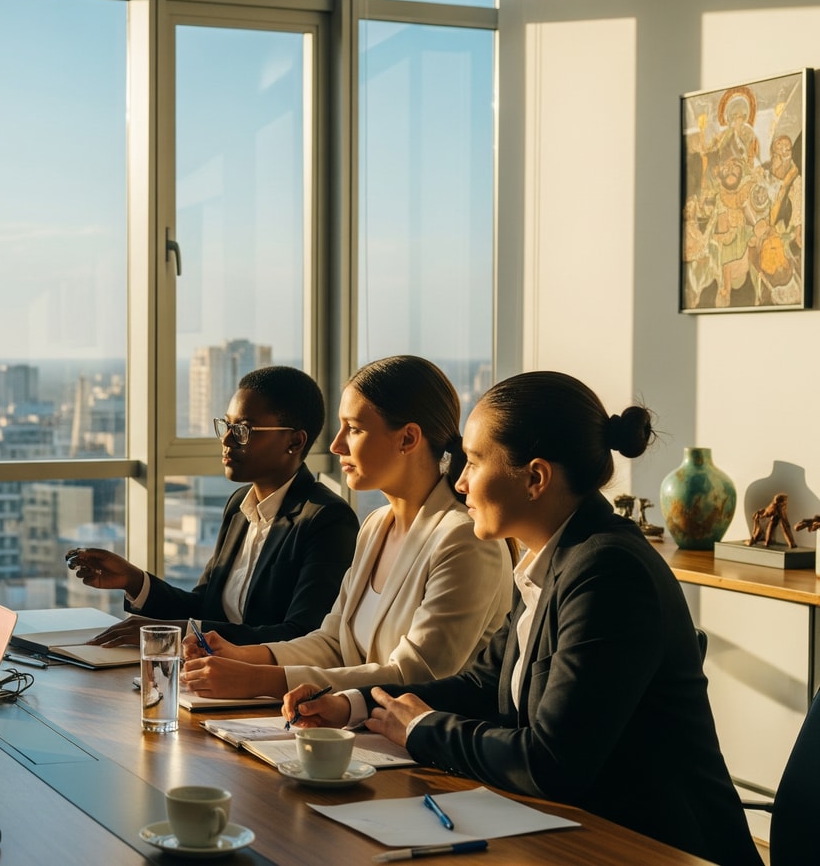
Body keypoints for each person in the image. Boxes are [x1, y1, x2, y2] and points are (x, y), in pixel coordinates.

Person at [284, 371, 760, 866]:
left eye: (472, 462)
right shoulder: (552, 559)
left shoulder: (608, 571)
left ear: (535, 478)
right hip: (570, 832)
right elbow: (483, 684)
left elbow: (552, 763)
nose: (460, 482)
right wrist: (357, 706)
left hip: (656, 848)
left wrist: (421, 729)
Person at [179, 356, 511, 698]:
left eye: (353, 429)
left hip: (416, 746)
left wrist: (259, 680)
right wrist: (244, 656)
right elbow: (333, 643)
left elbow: (414, 676)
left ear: (408, 439)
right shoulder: (376, 525)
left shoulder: (464, 540)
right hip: (355, 732)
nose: (336, 445)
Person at [68, 365, 358, 646]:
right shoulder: (238, 507)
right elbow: (206, 607)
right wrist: (134, 580)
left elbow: (301, 635)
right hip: (210, 678)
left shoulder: (326, 520)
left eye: (243, 429)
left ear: (294, 441)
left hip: (267, 691)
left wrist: (180, 633)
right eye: (227, 425)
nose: (227, 440)